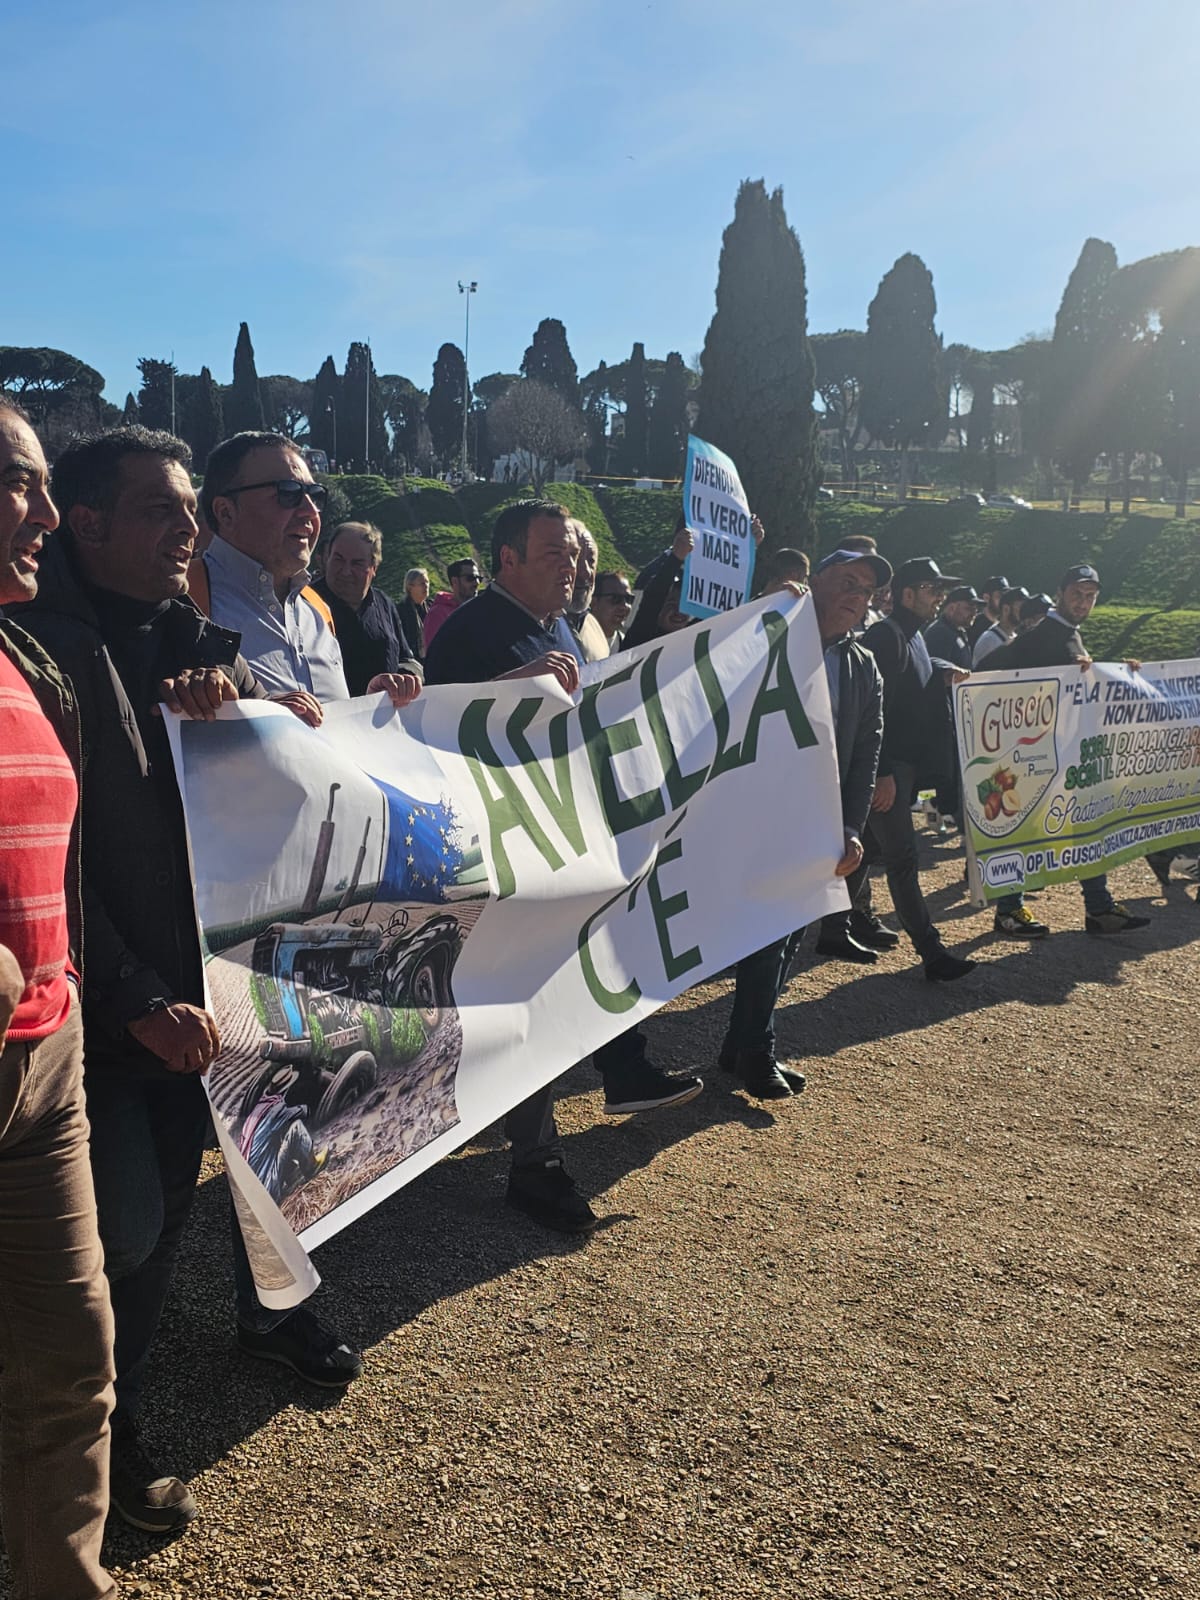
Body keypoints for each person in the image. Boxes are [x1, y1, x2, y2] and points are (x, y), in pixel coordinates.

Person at [15, 426, 298, 1533]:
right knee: (122, 1229)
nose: (190, 530)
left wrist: (253, 699)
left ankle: (108, 1426)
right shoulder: (38, 648)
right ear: (87, 524)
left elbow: (279, 721)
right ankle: (80, 1435)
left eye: (193, 509)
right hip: (102, 1006)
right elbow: (51, 865)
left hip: (192, 1001)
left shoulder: (189, 640)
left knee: (160, 1220)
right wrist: (134, 990)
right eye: (162, 511)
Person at [425, 499, 702, 1233]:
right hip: (503, 855)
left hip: (560, 840)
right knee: (522, 1001)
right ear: (506, 560)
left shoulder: (560, 628)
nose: (573, 567)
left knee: (561, 984)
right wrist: (514, 686)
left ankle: (614, 1070)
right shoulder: (470, 630)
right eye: (555, 554)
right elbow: (433, 727)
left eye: (576, 556)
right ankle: (536, 1160)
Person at [0, 399, 117, 1600]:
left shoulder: (27, 658)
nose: (44, 512)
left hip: (49, 1061)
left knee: (73, 1367)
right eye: (16, 483)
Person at [718, 551, 888, 1093]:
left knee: (789, 938)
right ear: (814, 581)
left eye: (864, 590)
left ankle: (740, 1047)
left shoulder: (863, 667)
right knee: (769, 939)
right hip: (763, 814)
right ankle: (756, 1054)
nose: (854, 595)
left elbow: (867, 752)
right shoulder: (770, 634)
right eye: (846, 581)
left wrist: (852, 828)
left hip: (821, 820)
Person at [987, 564, 1151, 938]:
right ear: (1059, 594)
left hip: (1067, 754)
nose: (1083, 602)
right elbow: (985, 672)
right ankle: (1009, 910)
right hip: (1034, 757)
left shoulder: (1068, 634)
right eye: (1077, 594)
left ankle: (1098, 907)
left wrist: (1121, 676)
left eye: (1090, 596)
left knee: (1087, 825)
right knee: (1024, 830)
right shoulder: (1042, 635)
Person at [852, 558, 977, 981]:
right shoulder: (884, 636)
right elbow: (866, 708)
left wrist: (942, 671)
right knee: (902, 858)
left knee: (864, 849)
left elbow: (911, 678)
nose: (938, 595)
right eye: (930, 588)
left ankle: (835, 925)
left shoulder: (913, 636)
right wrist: (881, 772)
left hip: (900, 768)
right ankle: (932, 952)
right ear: (906, 594)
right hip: (886, 768)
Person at [312, 521, 422, 694]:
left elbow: (407, 658)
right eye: (338, 559)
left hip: (384, 717)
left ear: (374, 567)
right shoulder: (304, 604)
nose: (345, 571)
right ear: (327, 558)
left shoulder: (385, 604)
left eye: (356, 563)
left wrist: (407, 678)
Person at [923, 585, 982, 834]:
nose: (974, 613)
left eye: (976, 609)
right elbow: (931, 669)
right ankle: (943, 808)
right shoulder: (939, 633)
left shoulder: (957, 632)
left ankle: (939, 805)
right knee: (948, 770)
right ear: (952, 606)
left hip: (959, 709)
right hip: (943, 712)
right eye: (970, 607)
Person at [564, 519, 610, 663]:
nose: (585, 572)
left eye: (591, 560)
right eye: (575, 559)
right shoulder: (534, 624)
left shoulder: (594, 627)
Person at [423, 556, 483, 649]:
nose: (477, 583)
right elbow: (435, 655)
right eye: (470, 578)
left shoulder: (479, 610)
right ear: (455, 581)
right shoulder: (437, 614)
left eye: (479, 578)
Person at [972, 586, 1029, 667]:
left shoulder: (1014, 637)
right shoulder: (989, 640)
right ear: (1006, 609)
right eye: (1021, 607)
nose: (1025, 612)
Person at [590, 570, 635, 646]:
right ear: (594, 602)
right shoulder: (575, 639)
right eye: (616, 598)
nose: (624, 606)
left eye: (628, 599)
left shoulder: (627, 647)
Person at [968, 574, 1010, 648]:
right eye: (1000, 596)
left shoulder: (1003, 627)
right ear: (986, 598)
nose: (1004, 601)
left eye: (1006, 596)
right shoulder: (972, 626)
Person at [399, 565, 430, 660]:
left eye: (427, 582)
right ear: (410, 587)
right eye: (422, 583)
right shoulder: (401, 611)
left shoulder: (431, 607)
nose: (426, 586)